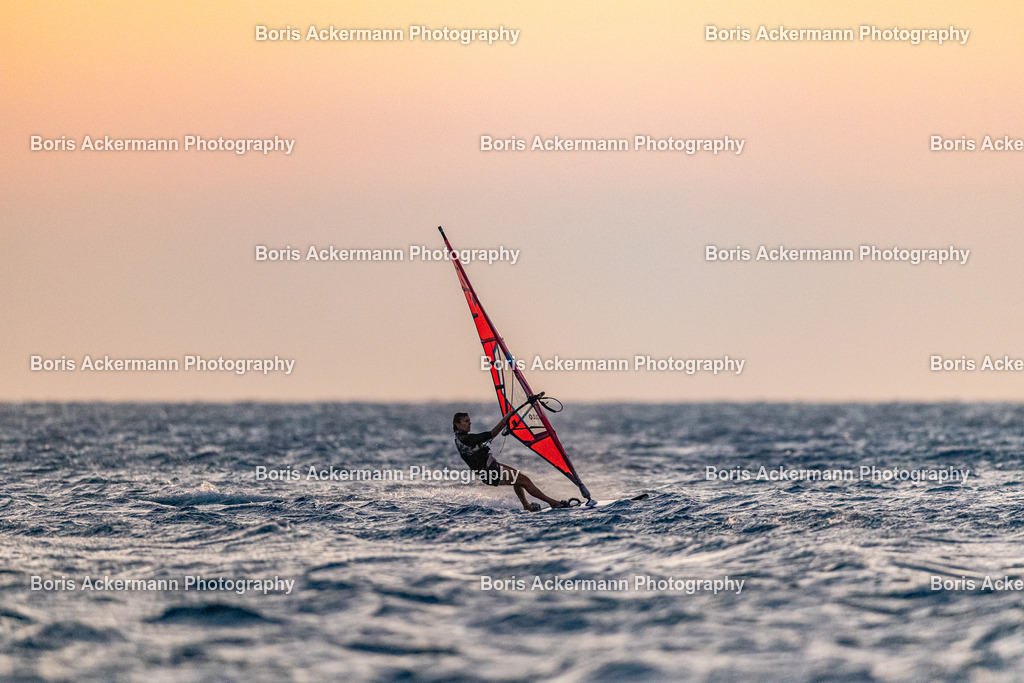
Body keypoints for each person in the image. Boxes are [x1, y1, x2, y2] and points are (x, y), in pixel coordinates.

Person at [453, 405, 568, 511]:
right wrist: (507, 416)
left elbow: (481, 442)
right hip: (491, 472)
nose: (470, 423)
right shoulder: (465, 440)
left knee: (519, 479)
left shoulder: (461, 438)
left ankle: (526, 506)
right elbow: (492, 433)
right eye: (466, 421)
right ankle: (554, 503)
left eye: (469, 420)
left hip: (491, 468)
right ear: (457, 424)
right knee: (525, 481)